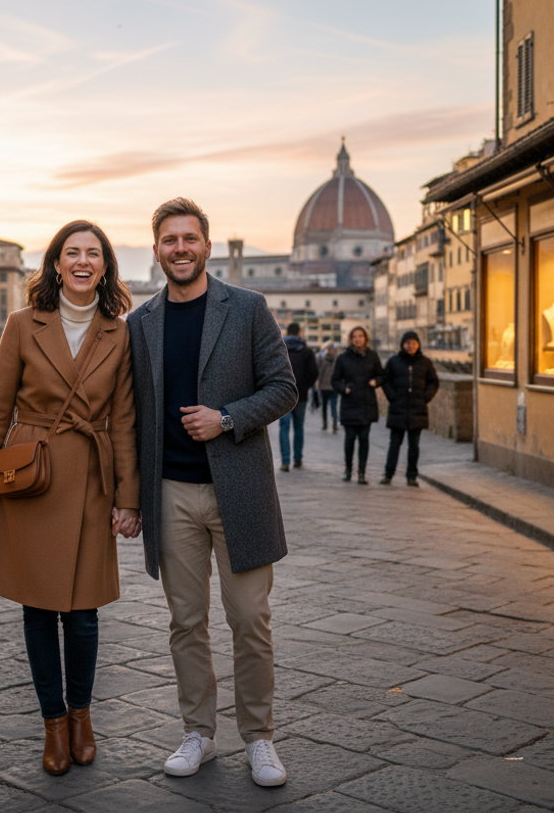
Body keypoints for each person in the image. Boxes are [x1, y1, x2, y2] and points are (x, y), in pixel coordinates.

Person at [127, 197, 298, 788]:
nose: (180, 249)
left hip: (239, 492)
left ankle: (260, 739)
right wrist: (129, 497)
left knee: (251, 619)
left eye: (190, 238)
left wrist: (225, 418)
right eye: (169, 240)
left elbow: (284, 389)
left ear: (207, 244)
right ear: (157, 250)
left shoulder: (247, 308)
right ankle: (197, 731)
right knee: (185, 621)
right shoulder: (140, 322)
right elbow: (130, 414)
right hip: (170, 493)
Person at [0, 220, 140, 776]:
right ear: (57, 264)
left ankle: (81, 717)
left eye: (94, 253)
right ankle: (51, 724)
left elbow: (124, 422)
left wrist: (127, 498)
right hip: (31, 478)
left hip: (90, 478)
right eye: (73, 253)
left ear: (105, 266)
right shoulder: (23, 324)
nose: (84, 261)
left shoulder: (120, 331)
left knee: (84, 614)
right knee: (38, 610)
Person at [380, 330, 439, 487]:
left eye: (413, 343)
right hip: (398, 409)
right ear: (402, 344)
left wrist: (425, 397)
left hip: (417, 410)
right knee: (394, 444)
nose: (410, 346)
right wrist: (392, 396)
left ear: (418, 345)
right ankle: (388, 474)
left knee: (414, 446)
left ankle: (412, 476)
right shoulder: (394, 362)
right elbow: (386, 381)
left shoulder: (425, 362)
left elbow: (434, 382)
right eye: (407, 343)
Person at [332, 326, 383, 483]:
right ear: (351, 339)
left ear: (365, 338)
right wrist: (344, 389)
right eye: (354, 337)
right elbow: (334, 380)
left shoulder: (373, 356)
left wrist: (376, 381)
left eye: (360, 336)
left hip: (367, 402)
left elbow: (382, 375)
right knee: (350, 438)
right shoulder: (343, 358)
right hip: (350, 403)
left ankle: (362, 472)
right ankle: (348, 470)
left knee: (364, 439)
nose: (358, 339)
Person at [278, 323, 318, 471]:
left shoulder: (280, 348)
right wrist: (304, 386)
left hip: (282, 395)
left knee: (284, 427)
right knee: (299, 427)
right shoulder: (306, 351)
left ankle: (285, 461)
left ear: (287, 332)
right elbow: (314, 372)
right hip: (301, 395)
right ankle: (298, 459)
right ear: (300, 333)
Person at [317, 342, 339, 433]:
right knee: (334, 407)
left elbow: (320, 373)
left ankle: (325, 423)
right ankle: (334, 425)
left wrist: (318, 384)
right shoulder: (337, 361)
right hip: (334, 388)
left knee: (325, 407)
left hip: (324, 387)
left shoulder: (323, 360)